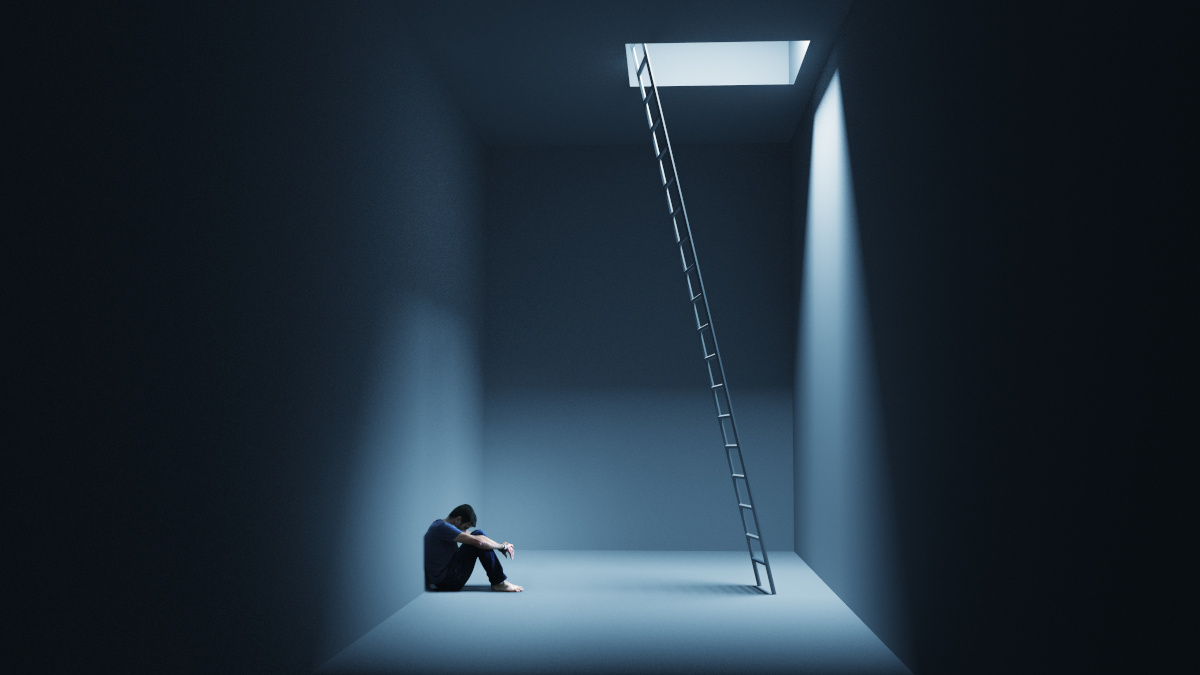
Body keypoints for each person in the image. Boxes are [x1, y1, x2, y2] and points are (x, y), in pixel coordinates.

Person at [424, 504, 523, 592]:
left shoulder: (441, 525)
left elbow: (480, 538)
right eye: (465, 527)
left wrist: (500, 545)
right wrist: (503, 546)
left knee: (479, 534)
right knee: (478, 538)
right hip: (447, 582)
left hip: (445, 578)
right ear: (458, 519)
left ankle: (498, 582)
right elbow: (479, 541)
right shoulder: (442, 527)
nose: (465, 530)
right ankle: (499, 583)